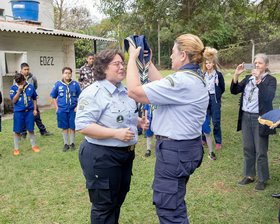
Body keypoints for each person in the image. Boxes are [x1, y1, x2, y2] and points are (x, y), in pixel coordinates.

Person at [126, 34, 211, 223]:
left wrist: (132, 59)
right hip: (186, 149)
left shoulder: (181, 82)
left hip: (175, 152)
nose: (171, 56)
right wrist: (147, 62)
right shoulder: (193, 77)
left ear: (183, 56)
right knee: (175, 202)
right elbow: (161, 84)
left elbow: (134, 91)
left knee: (169, 210)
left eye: (173, 52)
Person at [75, 49, 149, 224]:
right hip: (102, 156)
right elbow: (83, 126)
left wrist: (139, 122)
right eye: (117, 64)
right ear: (103, 68)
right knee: (104, 206)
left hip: (125, 155)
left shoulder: (125, 91)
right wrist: (116, 134)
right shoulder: (93, 92)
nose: (122, 67)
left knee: (116, 200)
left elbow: (123, 116)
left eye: (123, 63)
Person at [230, 53, 277, 191]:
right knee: (248, 148)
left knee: (261, 150)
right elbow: (234, 91)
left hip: (260, 119)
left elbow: (268, 97)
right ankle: (249, 175)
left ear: (266, 65)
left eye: (260, 63)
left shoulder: (270, 80)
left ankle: (262, 179)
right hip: (246, 116)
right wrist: (236, 75)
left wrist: (258, 80)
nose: (257, 65)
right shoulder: (248, 78)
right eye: (255, 63)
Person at [50, 67, 81, 151]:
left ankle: (72, 143)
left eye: (69, 73)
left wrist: (77, 106)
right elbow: (53, 97)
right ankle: (66, 143)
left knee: (72, 126)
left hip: (72, 110)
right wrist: (57, 108)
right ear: (62, 74)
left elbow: (80, 96)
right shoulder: (58, 84)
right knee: (64, 127)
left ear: (71, 74)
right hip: (62, 110)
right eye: (66, 73)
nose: (68, 75)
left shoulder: (75, 84)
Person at [19, 63, 53, 138]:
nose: (27, 71)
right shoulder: (18, 78)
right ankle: (23, 133)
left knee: (37, 116)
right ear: (21, 70)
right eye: (25, 69)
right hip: (22, 102)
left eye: (28, 69)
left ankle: (43, 131)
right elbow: (15, 88)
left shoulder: (33, 77)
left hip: (32, 101)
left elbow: (35, 87)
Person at [10, 73, 40, 155]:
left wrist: (34, 109)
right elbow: (14, 100)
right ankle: (16, 148)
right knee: (17, 130)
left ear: (24, 80)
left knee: (31, 129)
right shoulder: (13, 88)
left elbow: (34, 98)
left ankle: (34, 146)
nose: (20, 85)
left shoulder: (30, 87)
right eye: (19, 84)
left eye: (22, 83)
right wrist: (19, 91)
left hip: (29, 112)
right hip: (19, 112)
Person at [201, 49, 225, 150]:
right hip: (206, 99)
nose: (208, 65)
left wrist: (218, 97)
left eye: (210, 63)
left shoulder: (218, 75)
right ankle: (204, 139)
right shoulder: (203, 75)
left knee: (216, 121)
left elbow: (222, 87)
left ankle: (218, 141)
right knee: (205, 119)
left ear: (213, 63)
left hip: (215, 99)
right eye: (206, 63)